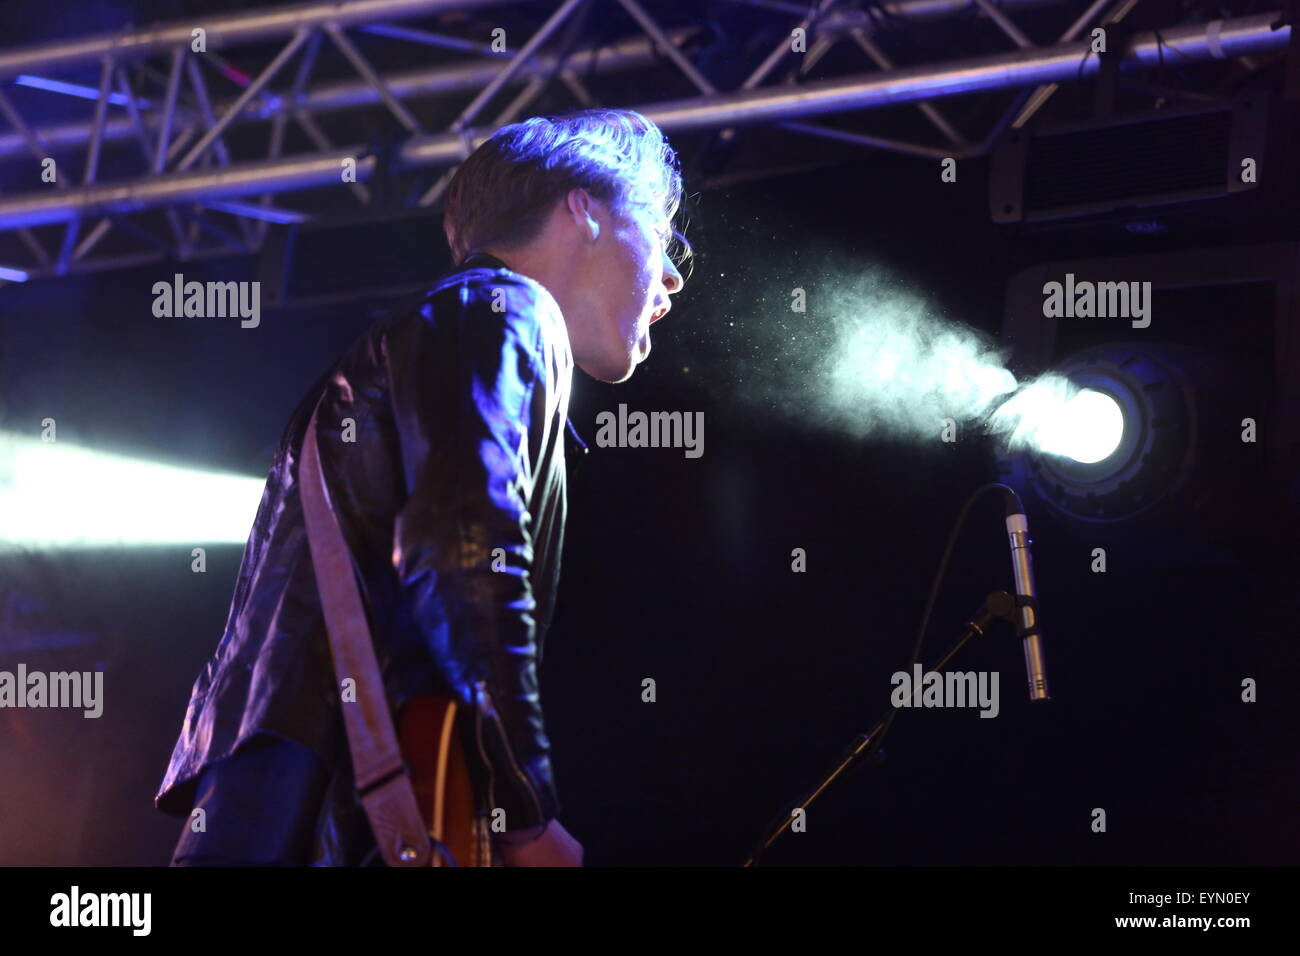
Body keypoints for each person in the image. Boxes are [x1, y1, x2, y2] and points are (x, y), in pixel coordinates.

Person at [154, 108, 689, 866]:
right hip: (322, 812)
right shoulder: (507, 312)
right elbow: (464, 544)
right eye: (664, 234)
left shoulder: (456, 324)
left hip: (288, 792)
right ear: (583, 207)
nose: (671, 277)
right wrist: (522, 810)